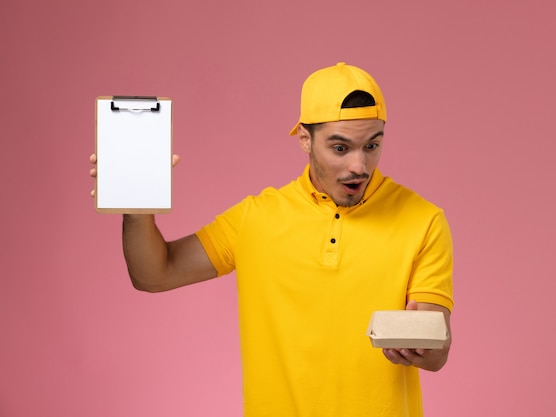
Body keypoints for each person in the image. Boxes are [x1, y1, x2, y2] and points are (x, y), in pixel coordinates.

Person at [90, 62, 454, 417]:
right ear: (305, 140)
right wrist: (135, 206)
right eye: (341, 148)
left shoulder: (423, 220)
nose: (359, 165)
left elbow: (436, 352)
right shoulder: (256, 218)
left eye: (372, 146)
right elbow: (154, 274)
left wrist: (421, 343)